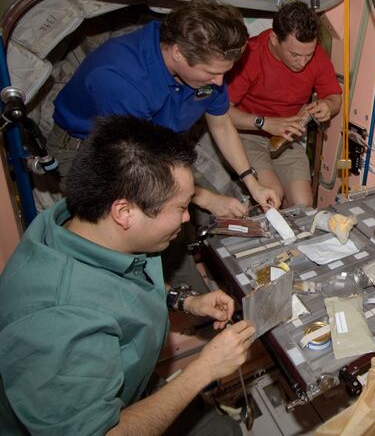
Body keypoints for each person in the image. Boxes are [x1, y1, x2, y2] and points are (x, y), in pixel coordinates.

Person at [0, 116, 256, 435]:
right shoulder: (57, 324)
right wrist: (203, 370)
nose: (187, 217)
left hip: (128, 383)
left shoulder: (85, 221)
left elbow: (124, 284)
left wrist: (187, 301)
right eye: (179, 208)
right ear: (125, 213)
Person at [49, 0, 279, 216]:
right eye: (211, 73)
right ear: (178, 52)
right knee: (136, 225)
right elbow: (137, 164)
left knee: (176, 222)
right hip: (96, 151)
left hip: (158, 144)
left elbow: (220, 123)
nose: (219, 82)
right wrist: (206, 199)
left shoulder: (208, 61)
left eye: (223, 73)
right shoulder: (121, 79)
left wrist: (252, 182)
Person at [227, 0, 342, 208]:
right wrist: (265, 123)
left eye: (308, 54)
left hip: (288, 138)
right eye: (295, 54)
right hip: (248, 135)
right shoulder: (249, 55)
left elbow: (335, 97)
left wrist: (328, 106)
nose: (303, 62)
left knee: (303, 204)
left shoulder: (315, 56)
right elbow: (222, 113)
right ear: (273, 39)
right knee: (273, 196)